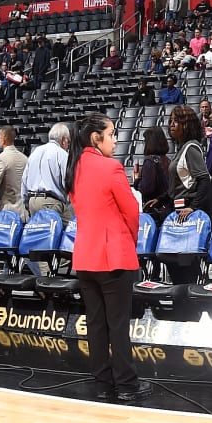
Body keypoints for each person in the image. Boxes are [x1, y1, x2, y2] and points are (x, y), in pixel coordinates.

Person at [67, 113, 149, 404]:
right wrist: (129, 241)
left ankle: (103, 384)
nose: (115, 139)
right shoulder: (111, 167)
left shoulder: (73, 168)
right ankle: (127, 385)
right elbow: (131, 212)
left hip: (85, 256)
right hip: (113, 255)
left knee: (96, 324)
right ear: (95, 138)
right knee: (118, 325)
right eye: (111, 134)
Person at [168, 105, 212, 215]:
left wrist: (193, 207)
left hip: (188, 209)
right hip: (179, 206)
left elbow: (205, 180)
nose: (171, 124)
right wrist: (161, 199)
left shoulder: (190, 147)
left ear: (187, 125)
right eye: (171, 120)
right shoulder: (181, 148)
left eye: (176, 121)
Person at [24, 122, 72, 220]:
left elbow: (24, 180)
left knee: (41, 232)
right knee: (73, 228)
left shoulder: (35, 151)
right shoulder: (62, 154)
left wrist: (26, 203)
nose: (68, 145)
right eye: (68, 142)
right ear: (63, 140)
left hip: (32, 201)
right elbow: (68, 181)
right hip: (51, 203)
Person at [134, 127, 173, 220]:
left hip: (154, 211)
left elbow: (147, 188)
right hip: (167, 209)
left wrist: (137, 181)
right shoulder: (167, 160)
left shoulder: (150, 161)